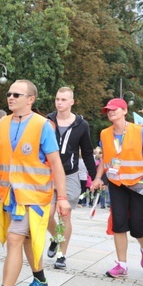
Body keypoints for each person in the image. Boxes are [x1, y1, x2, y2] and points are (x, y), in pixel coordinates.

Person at [0, 80, 70, 286]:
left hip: (35, 197)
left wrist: (62, 198)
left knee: (15, 239)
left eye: (17, 94)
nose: (10, 97)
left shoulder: (43, 126)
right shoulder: (2, 124)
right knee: (27, 240)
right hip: (9, 197)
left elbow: (56, 163)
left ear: (30, 99)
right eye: (9, 93)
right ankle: (40, 279)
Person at [90, 98, 143, 278]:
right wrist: (98, 178)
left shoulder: (139, 131)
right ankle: (121, 265)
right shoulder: (105, 134)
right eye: (108, 110)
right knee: (118, 224)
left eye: (114, 109)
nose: (110, 112)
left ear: (124, 111)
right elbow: (105, 160)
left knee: (138, 224)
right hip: (117, 183)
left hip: (140, 183)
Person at [44, 87, 97, 269]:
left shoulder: (81, 125)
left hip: (69, 174)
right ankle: (56, 238)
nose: (59, 102)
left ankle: (61, 255)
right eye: (57, 99)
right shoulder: (47, 121)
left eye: (64, 99)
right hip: (48, 174)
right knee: (47, 214)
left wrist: (95, 177)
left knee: (64, 215)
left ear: (72, 102)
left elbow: (88, 152)